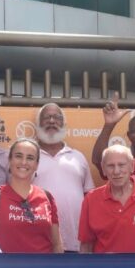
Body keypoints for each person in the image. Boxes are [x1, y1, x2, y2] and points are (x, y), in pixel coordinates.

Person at [31, 103, 93, 252]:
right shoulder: (28, 158)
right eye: (46, 117)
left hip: (76, 242)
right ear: (37, 125)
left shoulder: (78, 157)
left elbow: (90, 198)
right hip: (39, 244)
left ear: (64, 124)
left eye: (57, 117)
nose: (52, 121)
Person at [0, 139, 63, 253]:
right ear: (9, 160)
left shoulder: (47, 197)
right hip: (4, 264)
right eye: (18, 156)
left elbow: (57, 244)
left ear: (36, 165)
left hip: (43, 264)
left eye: (30, 158)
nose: (24, 162)